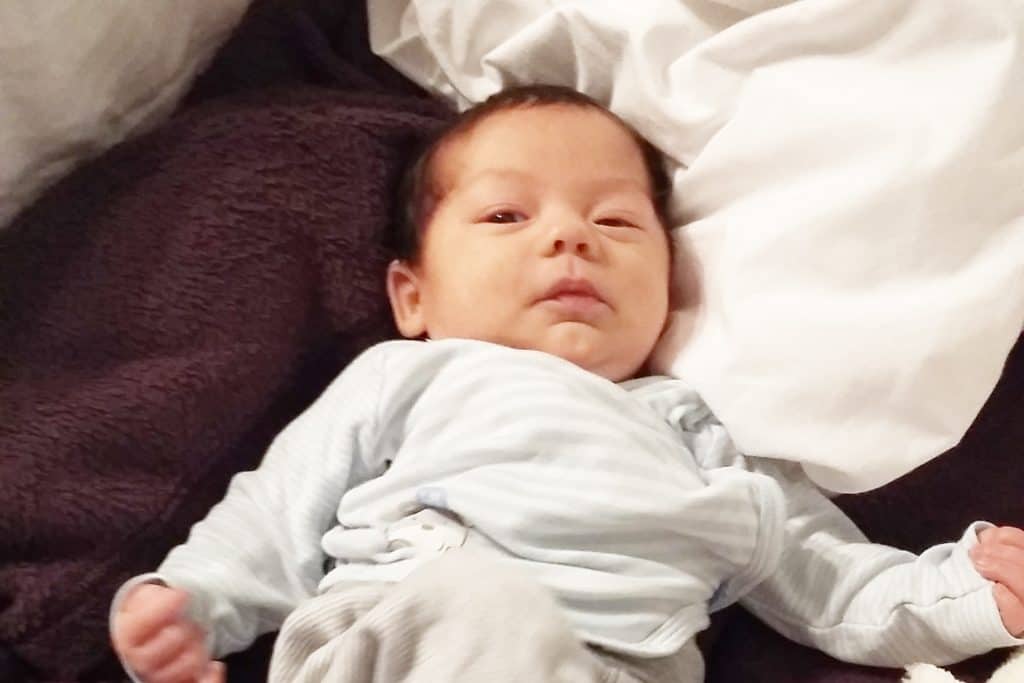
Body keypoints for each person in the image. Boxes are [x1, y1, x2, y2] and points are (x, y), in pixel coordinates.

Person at [109, 85, 1024, 683]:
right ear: (413, 295)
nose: (569, 237)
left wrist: (971, 596)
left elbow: (834, 583)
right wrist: (193, 603)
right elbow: (276, 508)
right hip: (408, 634)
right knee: (482, 602)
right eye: (507, 214)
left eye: (616, 221)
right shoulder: (408, 376)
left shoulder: (699, 430)